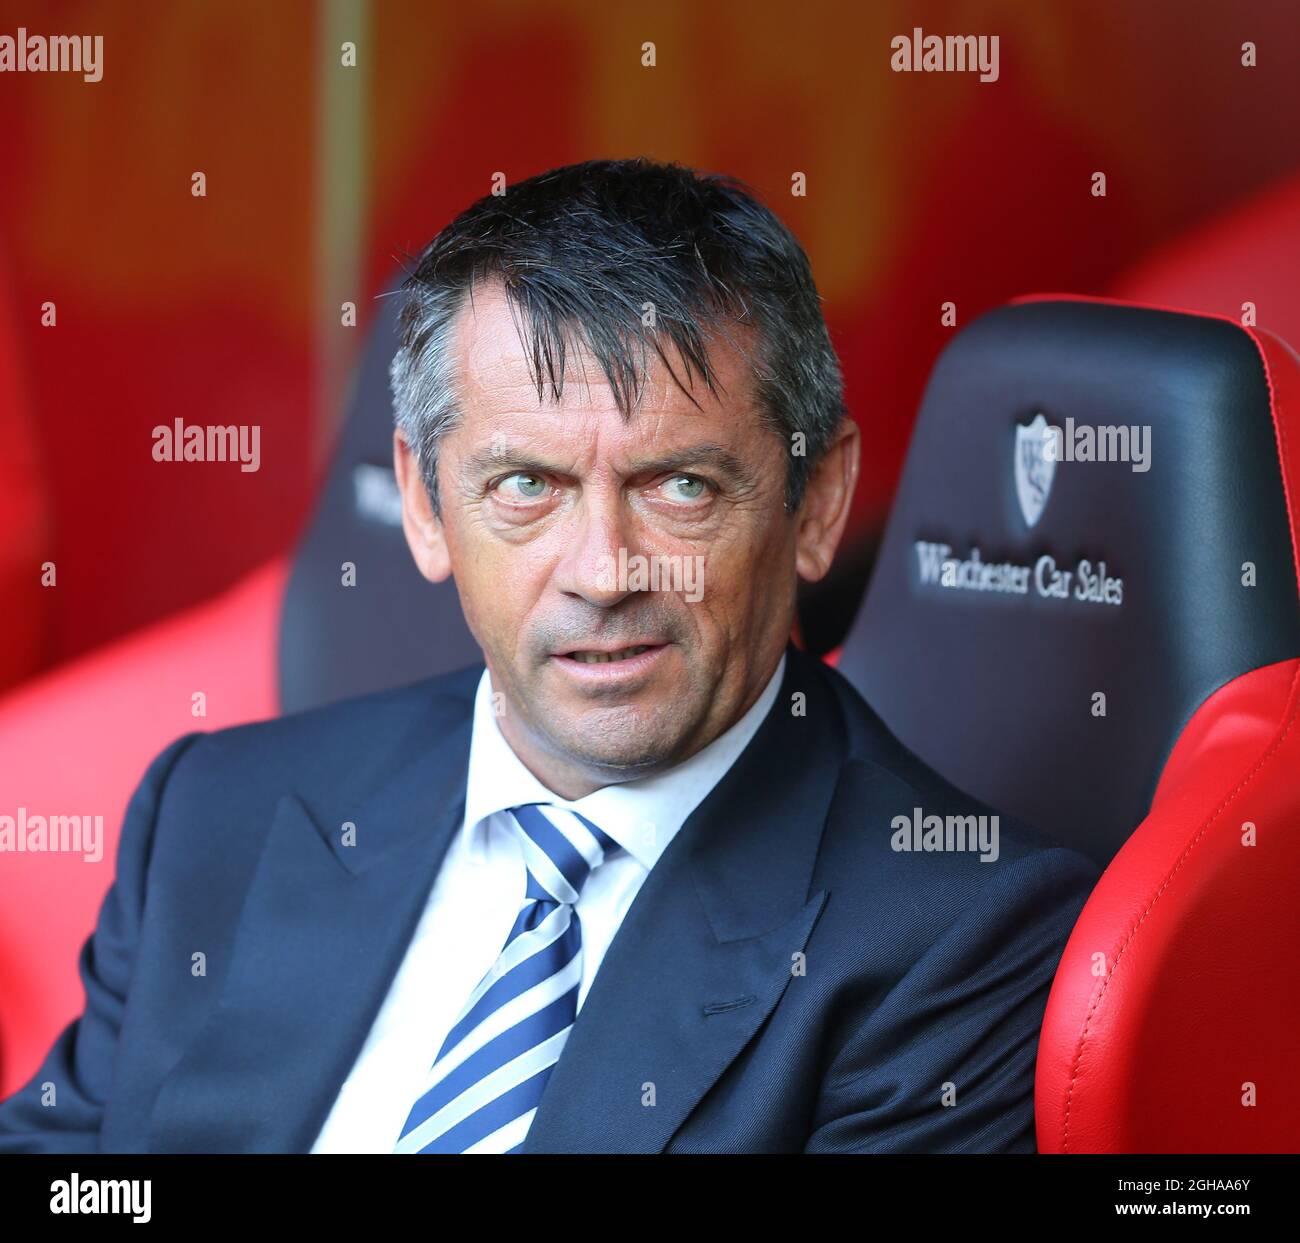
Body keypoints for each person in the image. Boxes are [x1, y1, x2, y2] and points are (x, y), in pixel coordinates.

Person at [0, 157, 1099, 1153]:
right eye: (526, 486)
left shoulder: (957, 937)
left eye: (681, 485)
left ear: (816, 503)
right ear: (426, 506)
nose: (603, 570)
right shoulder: (214, 816)